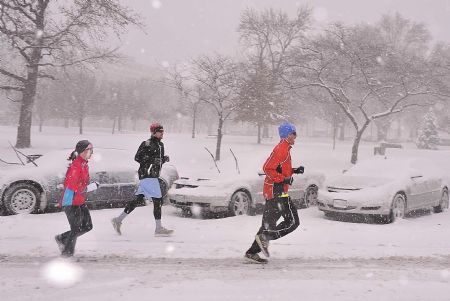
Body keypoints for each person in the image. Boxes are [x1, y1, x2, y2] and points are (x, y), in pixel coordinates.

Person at [244, 122, 304, 264]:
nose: (295, 137)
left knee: (268, 225)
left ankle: (252, 253)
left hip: (274, 191)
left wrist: (294, 170)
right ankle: (266, 237)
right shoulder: (281, 149)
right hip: (277, 191)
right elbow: (267, 168)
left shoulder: (285, 149)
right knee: (293, 222)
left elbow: (278, 168)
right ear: (287, 135)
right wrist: (283, 179)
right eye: (293, 134)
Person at [111, 122, 173, 237]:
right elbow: (137, 157)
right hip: (148, 175)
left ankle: (118, 220)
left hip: (153, 175)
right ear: (154, 132)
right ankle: (158, 228)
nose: (162, 133)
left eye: (163, 131)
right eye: (160, 131)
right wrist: (152, 160)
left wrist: (164, 159)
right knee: (158, 201)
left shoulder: (161, 145)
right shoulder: (147, 144)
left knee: (138, 200)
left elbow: (158, 161)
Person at [55, 140, 96, 257]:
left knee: (87, 226)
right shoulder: (76, 166)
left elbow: (82, 183)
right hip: (70, 201)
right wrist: (89, 187)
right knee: (76, 228)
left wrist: (88, 186)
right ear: (82, 151)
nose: (92, 153)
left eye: (92, 150)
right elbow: (72, 186)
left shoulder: (84, 164)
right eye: (89, 150)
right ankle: (67, 254)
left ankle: (62, 238)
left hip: (79, 200)